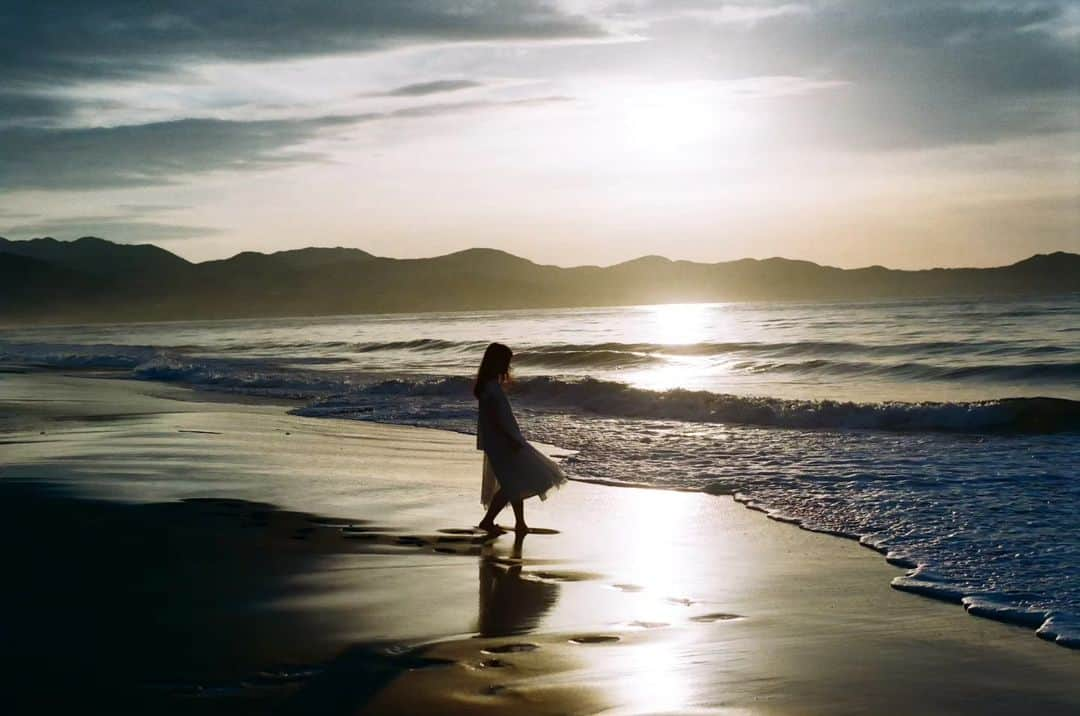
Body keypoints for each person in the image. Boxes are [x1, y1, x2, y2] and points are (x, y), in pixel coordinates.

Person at [474, 342, 566, 533]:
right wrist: (510, 439)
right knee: (511, 483)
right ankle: (490, 521)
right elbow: (494, 419)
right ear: (495, 362)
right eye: (505, 361)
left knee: (513, 481)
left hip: (504, 439)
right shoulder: (490, 388)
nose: (507, 366)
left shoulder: (490, 385)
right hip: (503, 441)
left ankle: (519, 523)